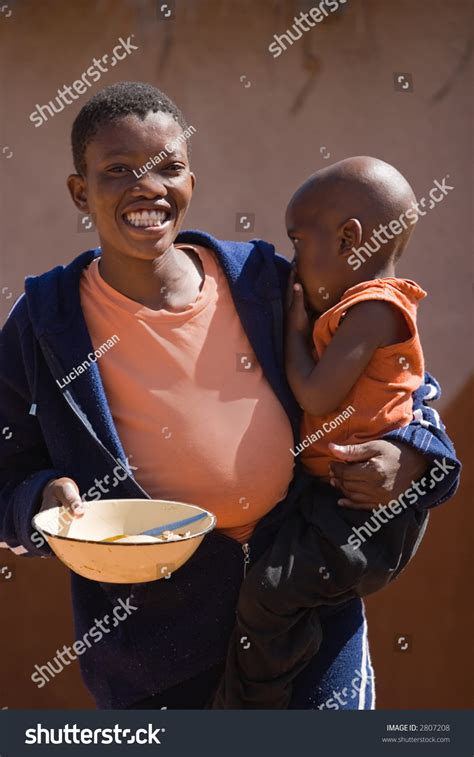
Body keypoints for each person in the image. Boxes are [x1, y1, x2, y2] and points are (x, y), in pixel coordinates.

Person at [0, 83, 459, 710]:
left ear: (193, 181)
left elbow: (405, 385)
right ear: (81, 191)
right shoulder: (45, 323)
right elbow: (7, 466)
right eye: (117, 171)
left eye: (169, 167)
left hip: (307, 624)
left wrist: (412, 457)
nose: (148, 188)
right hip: (154, 656)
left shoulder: (264, 285)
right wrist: (40, 500)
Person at [211, 157, 455, 709]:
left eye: (299, 244)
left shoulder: (372, 309)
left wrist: (296, 332)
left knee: (271, 598)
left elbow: (318, 396)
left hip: (364, 514)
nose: (293, 265)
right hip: (336, 503)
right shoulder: (355, 310)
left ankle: (245, 713)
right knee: (283, 602)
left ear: (351, 239)